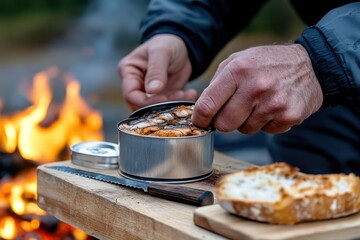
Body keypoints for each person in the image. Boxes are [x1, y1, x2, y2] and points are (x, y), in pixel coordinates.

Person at [118, 1, 360, 174]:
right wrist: (177, 29)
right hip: (336, 95)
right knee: (307, 143)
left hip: (339, 63)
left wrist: (320, 60)